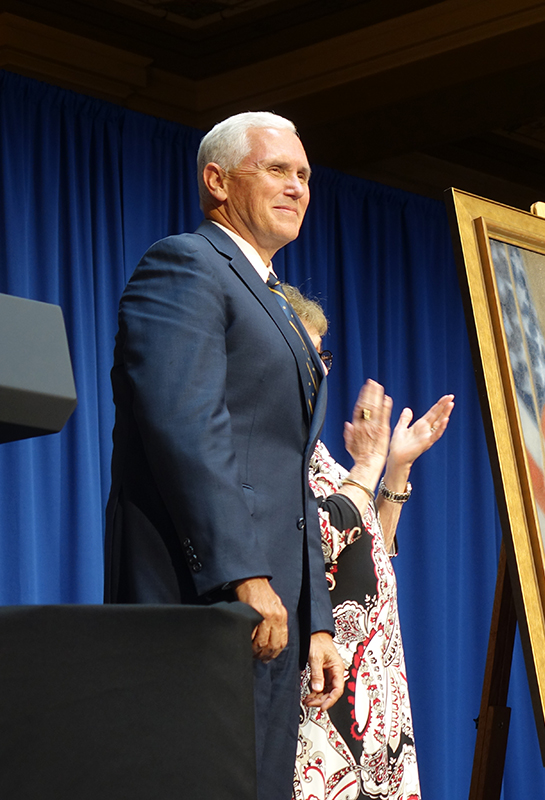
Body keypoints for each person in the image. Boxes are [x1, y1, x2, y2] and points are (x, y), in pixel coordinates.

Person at [104, 111, 343, 800]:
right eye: (277, 170)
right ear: (217, 180)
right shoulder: (186, 264)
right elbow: (190, 430)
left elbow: (287, 471)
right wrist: (243, 577)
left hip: (268, 610)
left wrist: (317, 621)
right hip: (201, 597)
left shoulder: (266, 293)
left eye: (303, 174)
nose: (297, 186)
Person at [287, 286, 453, 800]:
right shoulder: (269, 450)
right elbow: (311, 543)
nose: (321, 369)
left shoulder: (320, 459)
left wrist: (396, 468)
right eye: (307, 353)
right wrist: (367, 467)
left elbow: (368, 546)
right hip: (324, 693)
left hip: (376, 692)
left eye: (324, 355)